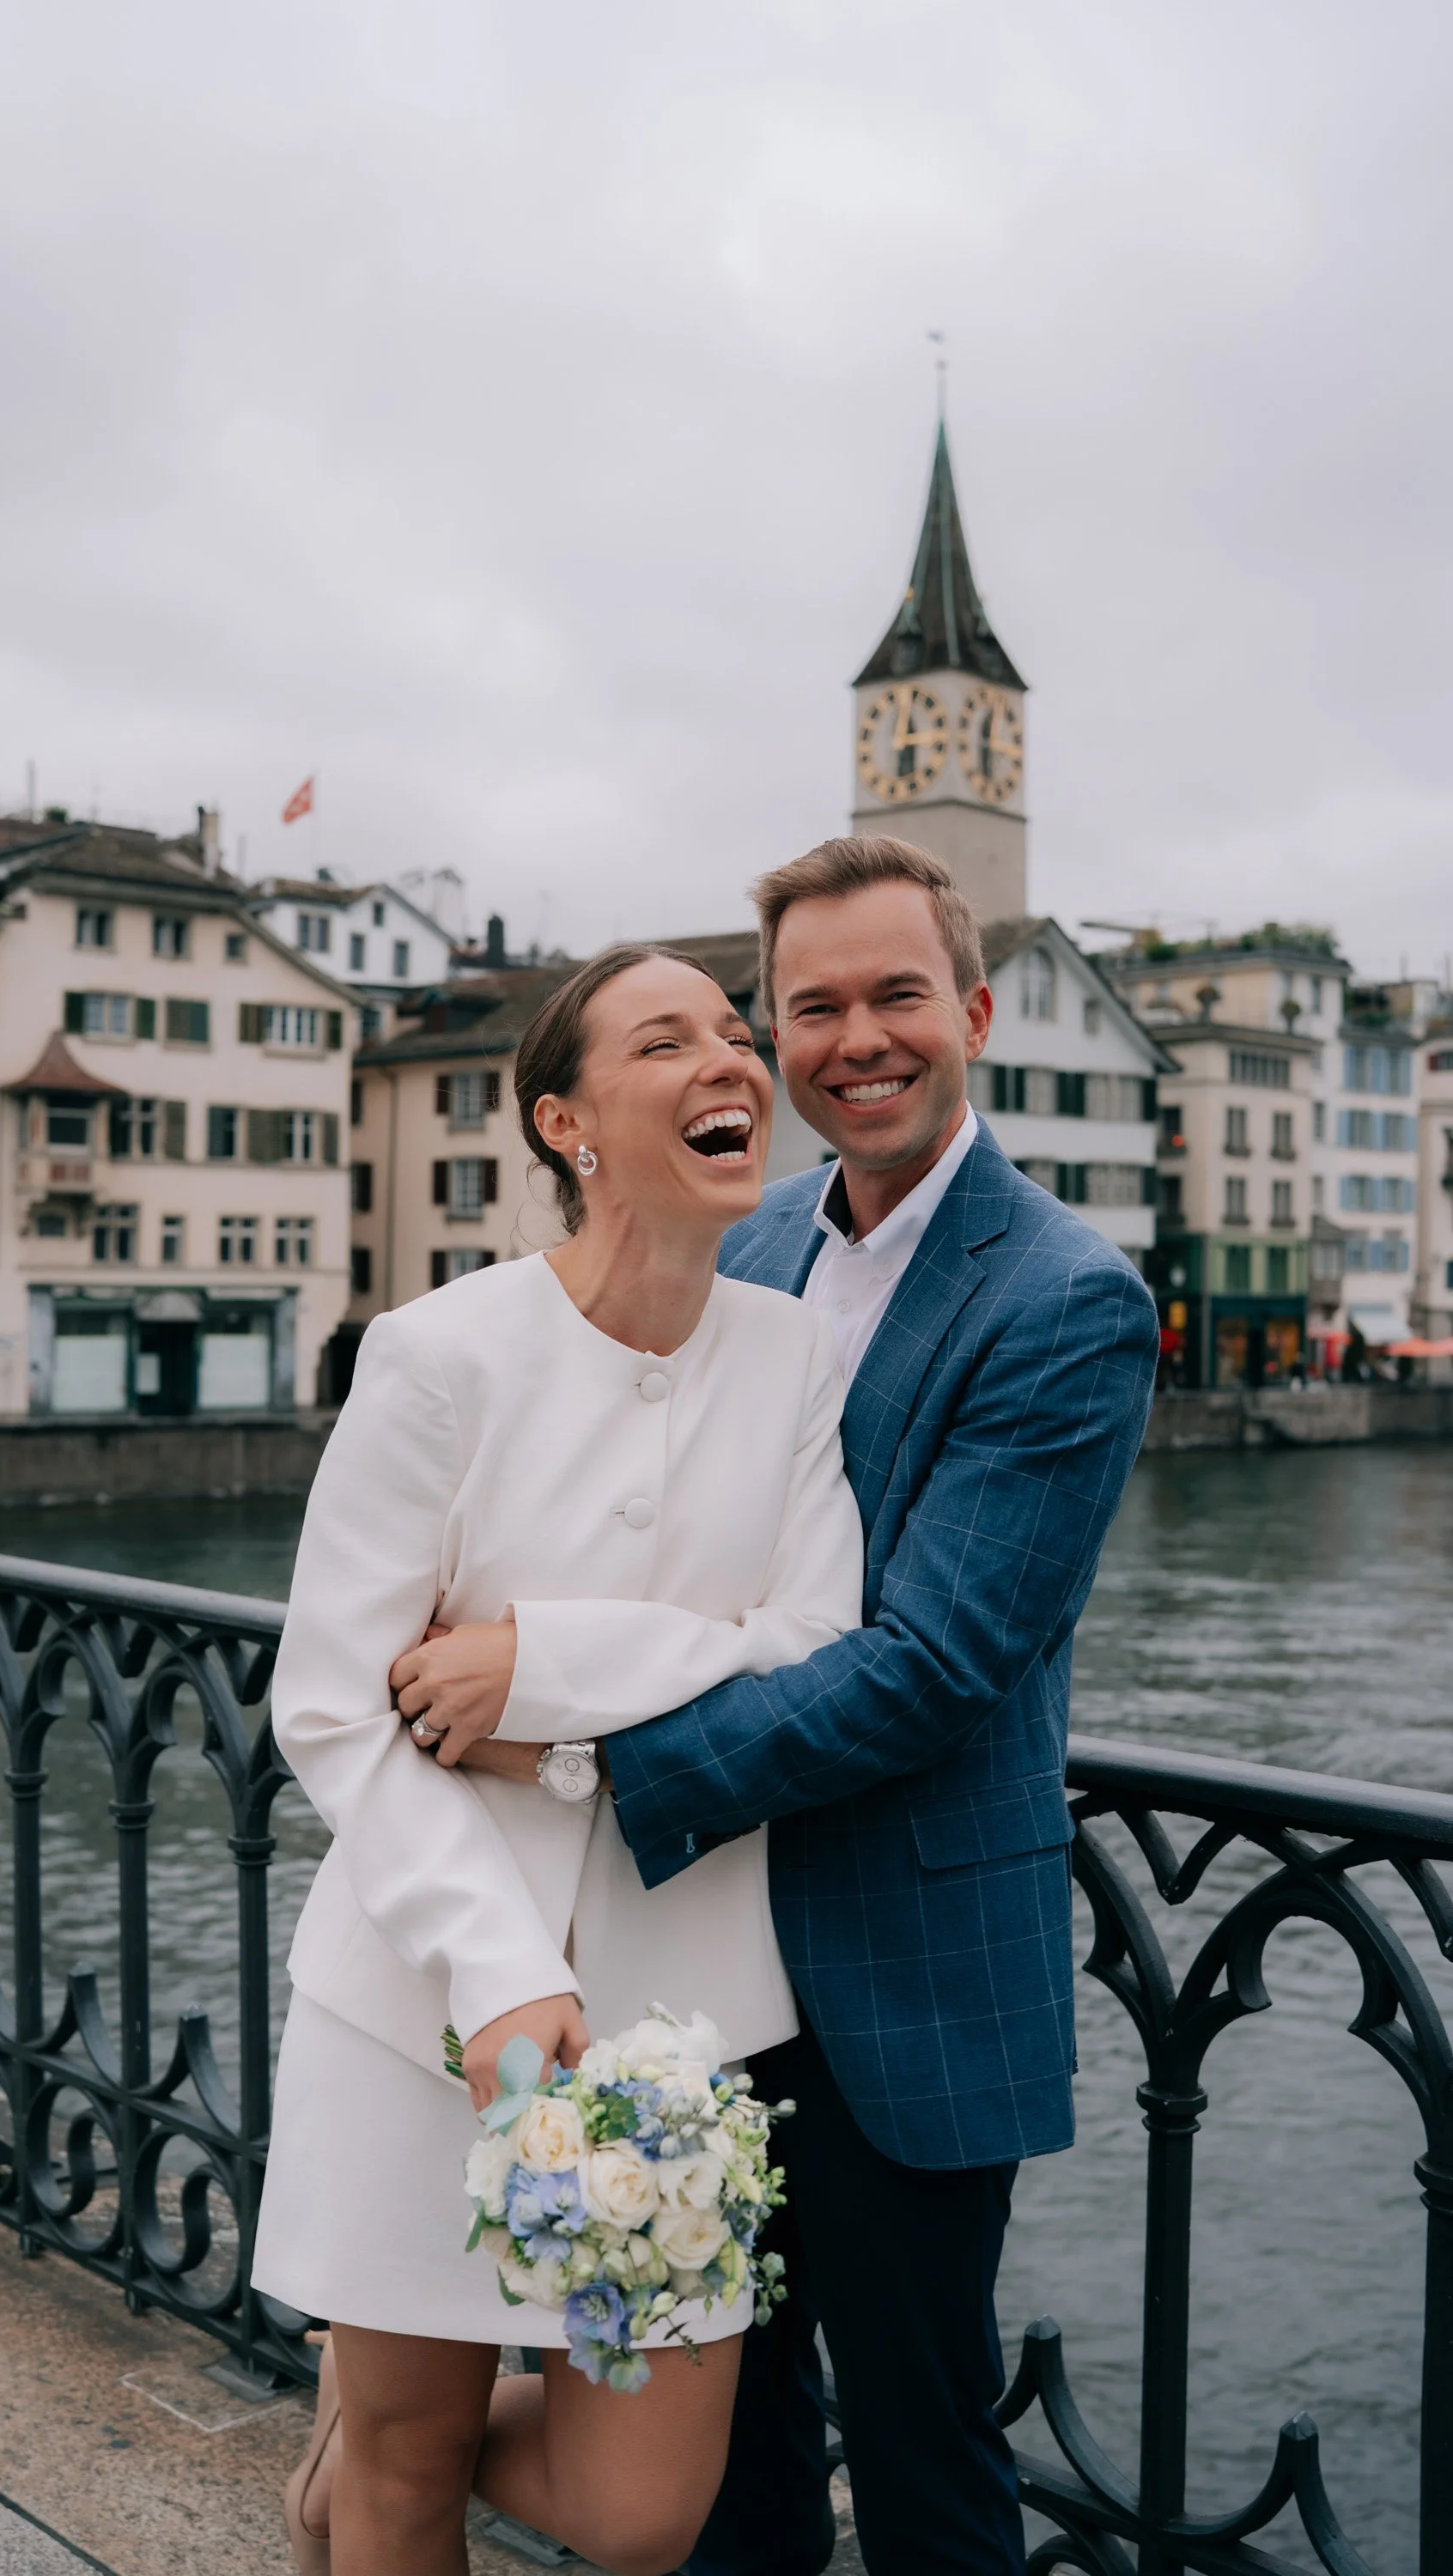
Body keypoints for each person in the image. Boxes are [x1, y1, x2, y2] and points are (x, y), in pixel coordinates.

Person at [423, 837, 1161, 2573]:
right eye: (811, 1006)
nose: (856, 1039)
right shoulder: (741, 1240)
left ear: (970, 1011)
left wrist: (583, 1745)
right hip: (693, 1968)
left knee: (925, 2468)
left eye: (896, 994)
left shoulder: (1066, 1297)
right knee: (714, 2466)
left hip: (904, 1983)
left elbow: (933, 1667)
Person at [255, 943, 865, 2576]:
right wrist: (495, 1970)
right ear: (568, 1123)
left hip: (683, 2034)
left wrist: (543, 1667)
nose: (731, 1061)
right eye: (668, 1040)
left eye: (738, 1033)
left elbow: (811, 1646)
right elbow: (330, 1699)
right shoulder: (440, 1353)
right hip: (422, 2008)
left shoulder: (796, 1356)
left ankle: (360, 2442)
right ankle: (372, 2444)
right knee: (410, 2467)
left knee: (640, 2512)